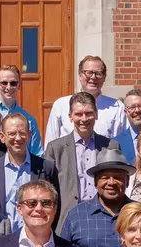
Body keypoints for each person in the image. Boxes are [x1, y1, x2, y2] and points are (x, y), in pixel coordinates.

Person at [57, 150, 135, 247]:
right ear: (95, 181)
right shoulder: (76, 216)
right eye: (105, 177)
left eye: (117, 177)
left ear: (127, 181)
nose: (111, 182)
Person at [44, 91, 113, 220]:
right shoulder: (55, 149)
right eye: (78, 114)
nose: (84, 119)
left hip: (103, 217)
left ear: (96, 114)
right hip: (66, 218)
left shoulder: (110, 146)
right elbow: (46, 189)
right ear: (70, 116)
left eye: (88, 113)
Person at [0, 114, 57, 224]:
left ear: (29, 135)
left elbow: (55, 206)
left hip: (36, 237)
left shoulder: (46, 168)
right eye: (12, 134)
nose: (18, 138)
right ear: (2, 137)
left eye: (22, 133)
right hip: (2, 238)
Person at [42, 55, 127, 146]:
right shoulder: (61, 105)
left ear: (104, 77)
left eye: (98, 73)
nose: (93, 77)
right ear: (80, 75)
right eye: (89, 72)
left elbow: (122, 145)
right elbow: (50, 144)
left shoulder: (117, 107)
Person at [0, 64, 44, 140]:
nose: (8, 87)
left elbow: (36, 151)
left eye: (13, 83)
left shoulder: (29, 120)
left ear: (19, 86)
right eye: (4, 83)